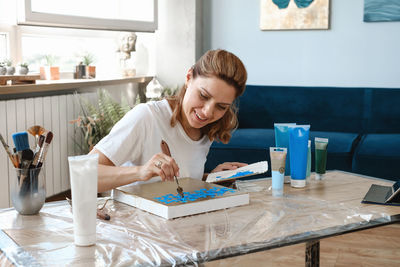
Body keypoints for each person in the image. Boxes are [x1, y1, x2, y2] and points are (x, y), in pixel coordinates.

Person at [91, 49, 248, 192]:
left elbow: (178, 182)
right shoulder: (147, 117)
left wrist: (213, 179)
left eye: (221, 107)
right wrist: (141, 171)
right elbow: (86, 176)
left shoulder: (207, 129)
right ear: (189, 77)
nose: (207, 112)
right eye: (203, 96)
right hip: (133, 220)